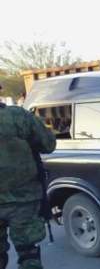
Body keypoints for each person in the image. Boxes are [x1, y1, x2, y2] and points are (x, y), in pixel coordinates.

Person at [0, 84, 56, 269]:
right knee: (28, 253)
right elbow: (48, 144)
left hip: (23, 198)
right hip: (24, 199)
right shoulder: (19, 116)